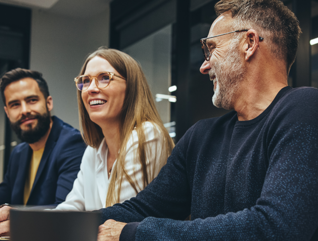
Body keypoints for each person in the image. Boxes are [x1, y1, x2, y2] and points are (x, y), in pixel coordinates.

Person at [93, 0, 318, 240]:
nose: (204, 66)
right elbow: (143, 208)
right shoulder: (201, 136)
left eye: (211, 48)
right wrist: (72, 223)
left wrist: (136, 233)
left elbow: (274, 227)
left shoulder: (304, 108)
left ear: (249, 43)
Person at [53, 47, 174, 211]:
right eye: (86, 81)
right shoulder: (93, 152)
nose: (91, 89)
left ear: (131, 88)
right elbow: (73, 206)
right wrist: (26, 221)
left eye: (104, 78)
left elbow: (119, 217)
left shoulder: (147, 135)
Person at [0, 68, 86, 207]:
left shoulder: (72, 143)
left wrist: (13, 219)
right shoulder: (18, 153)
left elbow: (65, 210)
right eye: (15, 104)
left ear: (49, 103)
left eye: (32, 100)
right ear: (7, 112)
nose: (24, 110)